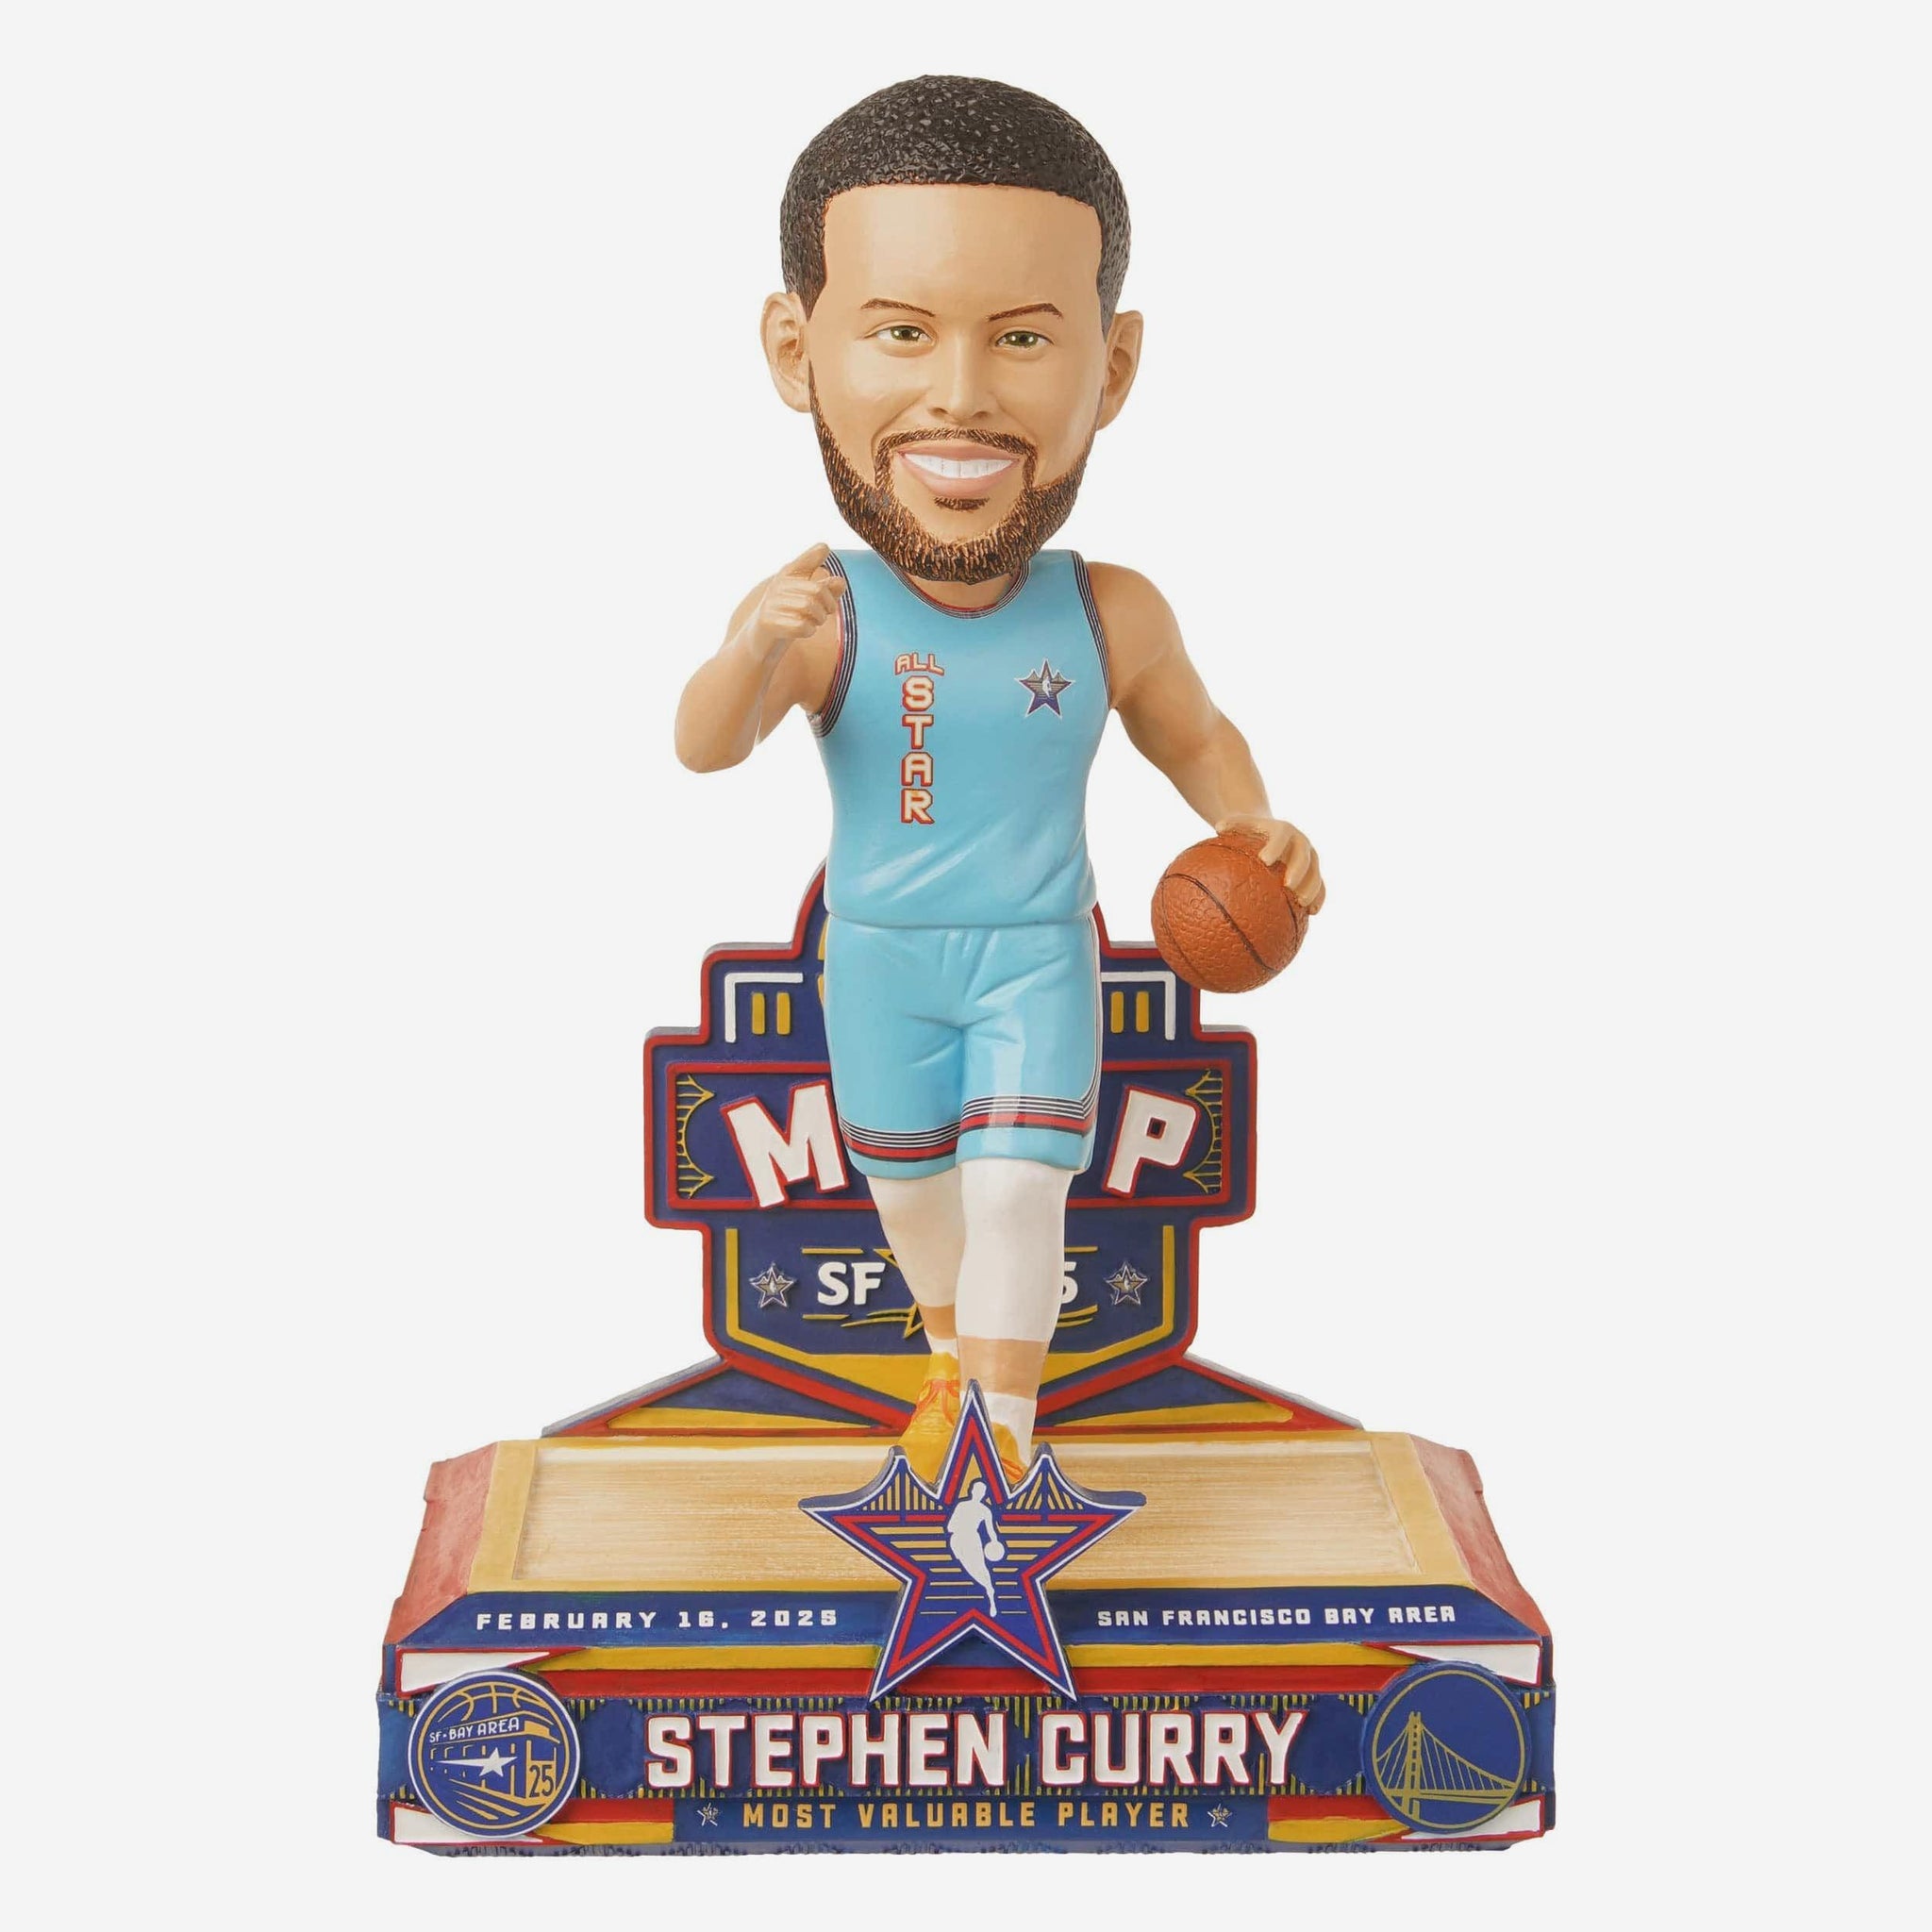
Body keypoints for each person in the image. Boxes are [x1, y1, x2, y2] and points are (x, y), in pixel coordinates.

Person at [675, 77, 1322, 1483]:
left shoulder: (1111, 610)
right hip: (880, 952)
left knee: (1025, 1188)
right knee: (913, 1192)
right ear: (794, 350)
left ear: (1113, 366)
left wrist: (1253, 821)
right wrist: (747, 650)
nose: (961, 392)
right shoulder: (820, 608)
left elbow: (1196, 734)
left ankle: (1006, 1438)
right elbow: (706, 745)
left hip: (1036, 951)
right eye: (901, 330)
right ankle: (947, 1361)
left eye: (1023, 336)